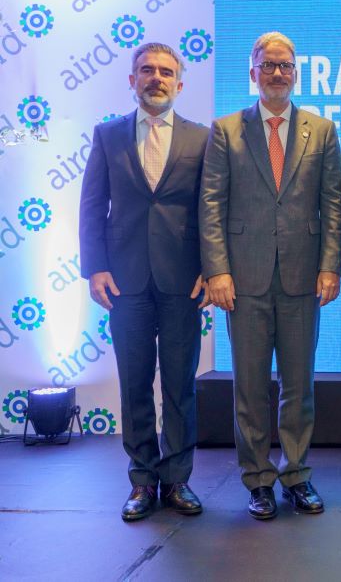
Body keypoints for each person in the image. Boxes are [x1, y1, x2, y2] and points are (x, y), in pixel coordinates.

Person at [200, 31, 341, 520]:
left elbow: (334, 204)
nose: (277, 73)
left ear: (296, 73)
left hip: (303, 278)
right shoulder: (226, 130)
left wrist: (331, 265)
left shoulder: (321, 130)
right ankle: (258, 479)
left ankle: (297, 474)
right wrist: (217, 271)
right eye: (268, 65)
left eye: (285, 65)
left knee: (299, 386)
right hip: (243, 281)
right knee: (250, 386)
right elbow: (211, 205)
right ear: (253, 72)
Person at [79, 42, 209, 522]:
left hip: (184, 281)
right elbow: (93, 204)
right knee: (135, 383)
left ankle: (177, 480)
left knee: (180, 385)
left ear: (180, 83)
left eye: (166, 71)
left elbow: (211, 209)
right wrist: (95, 266)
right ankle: (141, 480)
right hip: (124, 280)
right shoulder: (108, 134)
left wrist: (212, 268)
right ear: (132, 80)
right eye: (147, 70)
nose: (156, 78)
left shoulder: (202, 138)